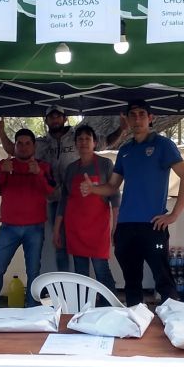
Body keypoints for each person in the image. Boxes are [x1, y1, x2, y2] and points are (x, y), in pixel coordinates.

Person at [81, 102, 184, 307]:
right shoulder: (125, 150)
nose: (137, 119)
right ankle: (135, 320)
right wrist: (93, 189)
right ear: (127, 119)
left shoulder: (163, 145)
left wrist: (174, 215)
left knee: (163, 280)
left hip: (153, 225)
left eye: (142, 114)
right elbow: (112, 186)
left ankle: (173, 321)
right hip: (125, 227)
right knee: (131, 283)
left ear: (151, 118)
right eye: (132, 115)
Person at [0, 106, 125, 274]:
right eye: (51, 117)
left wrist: (122, 129)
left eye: (58, 116)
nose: (55, 119)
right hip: (54, 200)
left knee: (94, 254)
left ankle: (91, 285)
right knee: (60, 246)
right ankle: (66, 285)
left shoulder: (78, 137)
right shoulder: (40, 143)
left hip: (83, 202)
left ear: (65, 118)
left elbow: (107, 141)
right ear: (46, 120)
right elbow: (14, 149)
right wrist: (1, 132)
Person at [0, 128, 54, 307]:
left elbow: (51, 191)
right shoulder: (4, 164)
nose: (23, 147)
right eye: (19, 143)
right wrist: (3, 172)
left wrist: (38, 174)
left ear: (34, 146)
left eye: (27, 143)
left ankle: (31, 310)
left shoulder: (43, 166)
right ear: (14, 146)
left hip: (35, 228)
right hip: (9, 227)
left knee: (33, 272)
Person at [54, 124, 120, 299]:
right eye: (80, 139)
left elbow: (114, 196)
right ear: (76, 143)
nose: (83, 142)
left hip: (98, 228)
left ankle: (110, 308)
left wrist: (116, 227)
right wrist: (56, 229)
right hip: (75, 229)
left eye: (87, 139)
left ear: (94, 142)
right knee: (81, 274)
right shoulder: (71, 169)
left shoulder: (105, 164)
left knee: (101, 270)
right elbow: (64, 200)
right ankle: (83, 308)